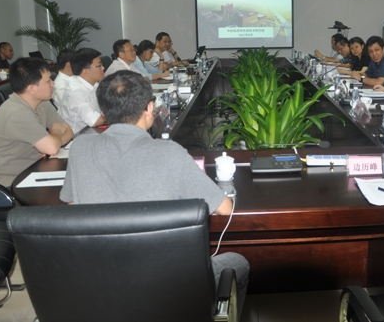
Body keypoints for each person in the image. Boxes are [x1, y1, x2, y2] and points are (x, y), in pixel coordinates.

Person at [60, 70, 249, 316]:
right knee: (238, 262)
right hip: (165, 283)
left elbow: (73, 207)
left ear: (104, 110)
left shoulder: (80, 148)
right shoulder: (170, 152)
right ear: (150, 108)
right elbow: (225, 208)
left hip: (99, 278)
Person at [0, 57, 73, 207]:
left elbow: (69, 131)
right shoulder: (16, 112)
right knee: (63, 200)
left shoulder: (42, 102)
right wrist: (54, 134)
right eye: (48, 80)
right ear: (32, 89)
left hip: (29, 173)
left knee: (72, 187)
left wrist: (52, 141)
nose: (53, 83)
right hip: (1, 188)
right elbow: (52, 146)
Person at [58, 48, 106, 133]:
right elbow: (95, 121)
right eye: (99, 65)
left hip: (91, 131)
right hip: (76, 137)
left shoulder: (94, 84)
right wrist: (110, 114)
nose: (103, 68)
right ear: (85, 71)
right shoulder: (76, 91)